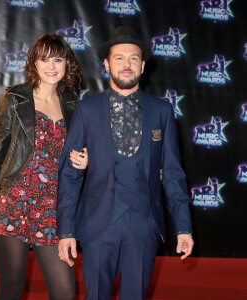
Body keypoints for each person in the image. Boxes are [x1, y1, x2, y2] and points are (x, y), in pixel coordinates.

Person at [56, 26, 194, 300]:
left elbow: (174, 175)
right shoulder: (86, 109)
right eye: (119, 58)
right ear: (106, 65)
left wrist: (183, 227)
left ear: (143, 66)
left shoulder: (162, 111)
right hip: (97, 222)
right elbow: (70, 174)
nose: (126, 64)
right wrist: (66, 230)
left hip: (143, 222)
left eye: (133, 58)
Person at [0, 33, 88, 300]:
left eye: (58, 59)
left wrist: (84, 161)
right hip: (13, 203)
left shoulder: (73, 104)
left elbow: (79, 154)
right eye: (44, 58)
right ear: (33, 62)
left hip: (53, 209)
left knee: (65, 292)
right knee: (11, 289)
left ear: (67, 64)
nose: (51, 65)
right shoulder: (15, 98)